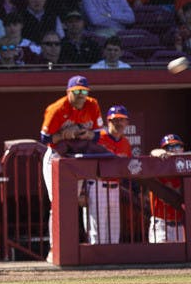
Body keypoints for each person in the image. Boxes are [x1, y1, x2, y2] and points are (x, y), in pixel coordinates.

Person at [40, 75, 107, 238]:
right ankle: (55, 245)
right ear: (68, 92)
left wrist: (87, 134)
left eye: (84, 91)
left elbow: (98, 135)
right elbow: (44, 138)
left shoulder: (92, 105)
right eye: (76, 91)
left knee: (70, 202)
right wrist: (64, 135)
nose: (80, 95)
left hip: (77, 155)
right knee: (58, 202)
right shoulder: (57, 109)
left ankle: (68, 242)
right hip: (57, 155)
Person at [85, 105, 133, 245]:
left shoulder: (126, 143)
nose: (118, 123)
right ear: (108, 122)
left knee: (114, 228)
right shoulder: (98, 138)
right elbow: (84, 164)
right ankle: (97, 261)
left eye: (121, 120)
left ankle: (112, 262)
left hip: (115, 186)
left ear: (127, 122)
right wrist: (82, 191)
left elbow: (128, 167)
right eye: (115, 120)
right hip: (97, 186)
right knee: (97, 229)